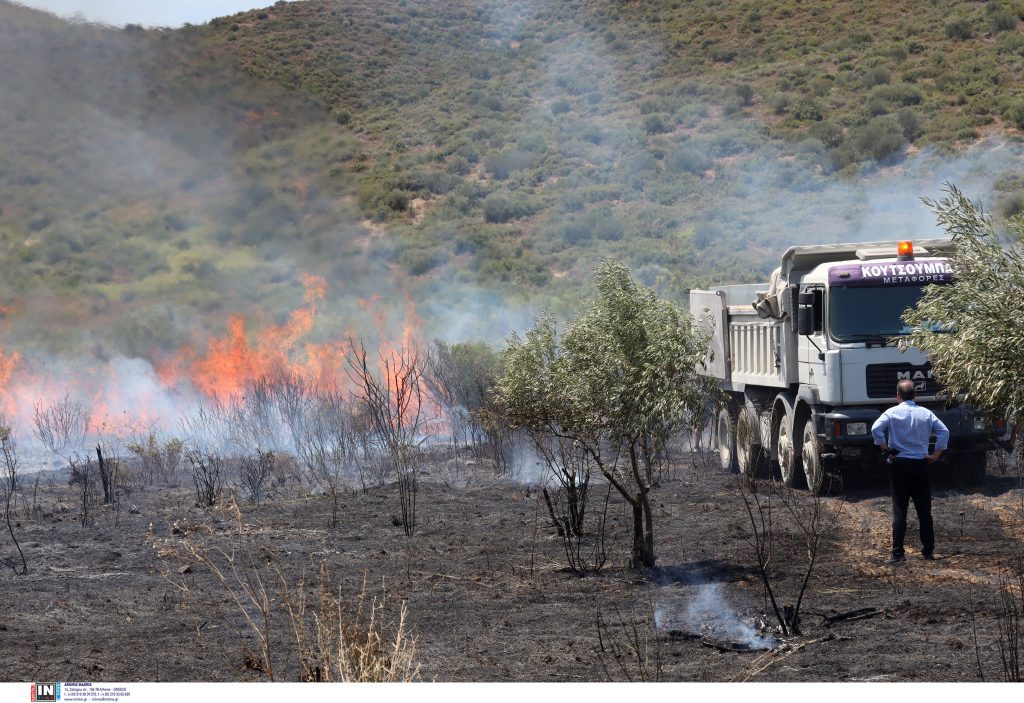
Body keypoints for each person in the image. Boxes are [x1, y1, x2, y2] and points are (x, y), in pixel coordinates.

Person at [871, 379, 949, 562]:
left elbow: (876, 429)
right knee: (924, 511)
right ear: (915, 395)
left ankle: (898, 552)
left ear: (897, 396)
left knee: (900, 511)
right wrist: (936, 454)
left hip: (899, 466)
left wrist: (885, 450)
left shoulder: (891, 413)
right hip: (920, 465)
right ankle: (928, 550)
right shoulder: (926, 414)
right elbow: (944, 431)